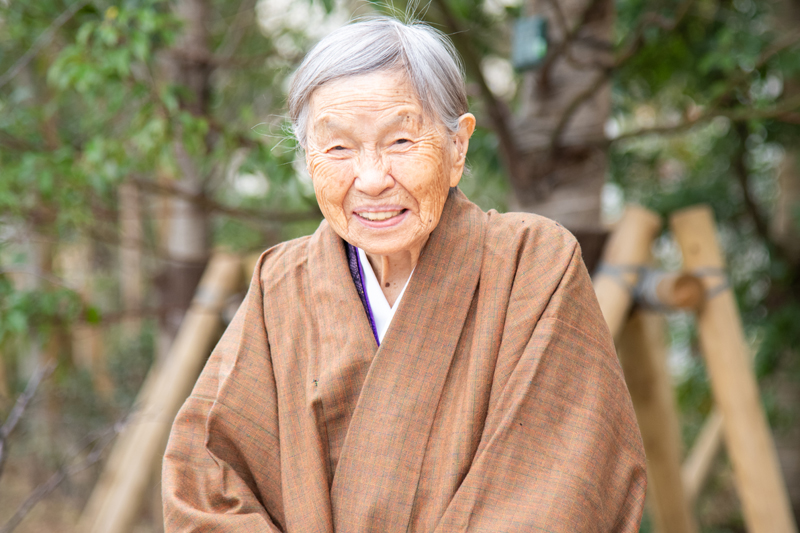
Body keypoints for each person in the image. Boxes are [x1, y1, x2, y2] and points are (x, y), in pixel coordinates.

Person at [162, 16, 646, 532]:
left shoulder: (532, 263)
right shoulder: (280, 283)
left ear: (457, 147)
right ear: (308, 158)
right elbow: (206, 477)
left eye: (399, 142)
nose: (370, 180)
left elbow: (561, 483)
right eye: (338, 148)